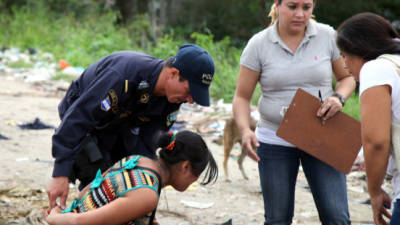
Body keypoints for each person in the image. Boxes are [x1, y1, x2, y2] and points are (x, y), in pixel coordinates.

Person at [46, 44, 215, 212]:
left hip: (121, 126)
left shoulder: (171, 101)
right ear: (173, 73)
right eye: (189, 91)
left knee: (122, 182)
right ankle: (75, 216)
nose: (190, 100)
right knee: (97, 178)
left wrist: (144, 208)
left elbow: (145, 150)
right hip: (87, 121)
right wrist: (60, 173)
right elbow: (78, 118)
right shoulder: (123, 76)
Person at [232, 0, 356, 224]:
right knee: (278, 218)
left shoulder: (327, 36)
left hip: (322, 135)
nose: (300, 14)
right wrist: (244, 130)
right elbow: (241, 97)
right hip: (274, 140)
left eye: (306, 7)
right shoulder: (258, 44)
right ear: (277, 6)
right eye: (292, 6)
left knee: (336, 216)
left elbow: (347, 78)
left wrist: (339, 98)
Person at [44, 130, 218, 225]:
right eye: (197, 174)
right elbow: (79, 223)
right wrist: (54, 218)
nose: (195, 180)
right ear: (185, 166)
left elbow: (85, 194)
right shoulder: (146, 193)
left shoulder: (136, 160)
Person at [336, 12, 400, 225]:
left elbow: (376, 142)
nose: (344, 64)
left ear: (359, 49)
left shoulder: (376, 68)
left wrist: (374, 191)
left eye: (344, 55)